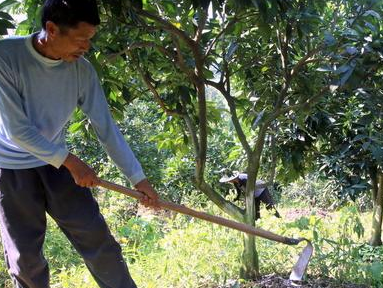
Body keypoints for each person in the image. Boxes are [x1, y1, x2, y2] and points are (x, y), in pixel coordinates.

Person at [0, 0, 159, 287]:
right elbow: (17, 131)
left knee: (99, 241)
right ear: (51, 28)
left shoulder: (82, 71)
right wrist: (71, 162)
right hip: (10, 170)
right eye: (81, 39)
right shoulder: (6, 56)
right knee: (25, 260)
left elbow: (107, 130)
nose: (86, 47)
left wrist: (139, 179)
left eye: (90, 40)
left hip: (56, 165)